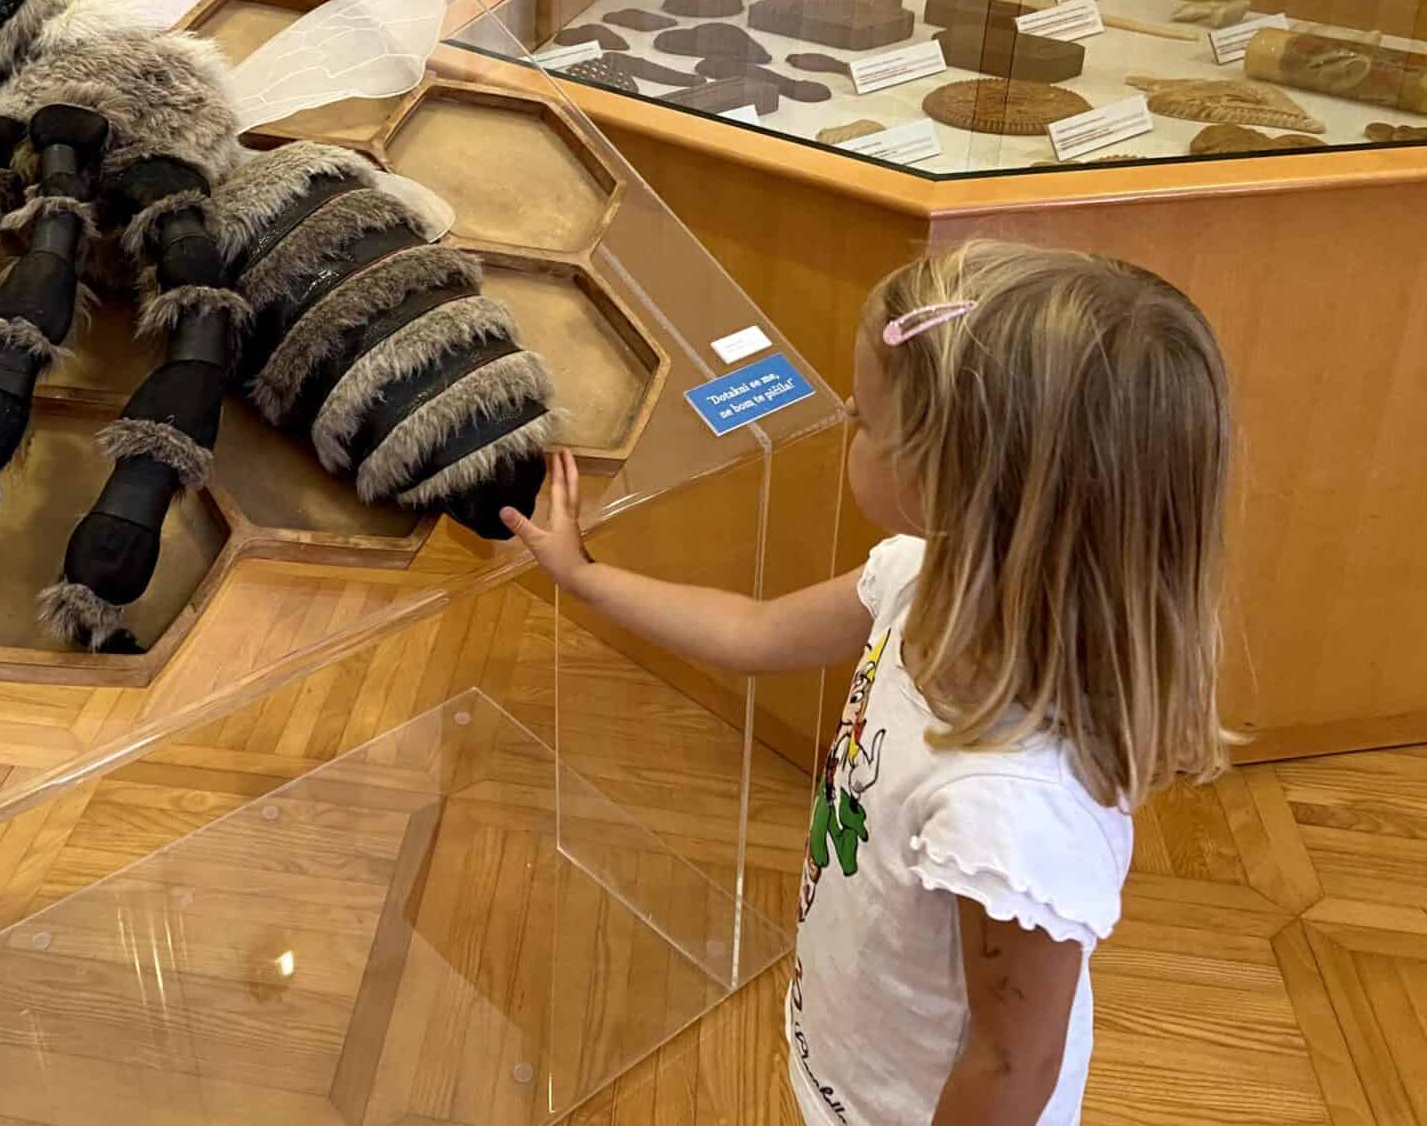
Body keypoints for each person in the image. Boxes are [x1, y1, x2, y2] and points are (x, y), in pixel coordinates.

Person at [502, 240, 1234, 1125]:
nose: (846, 417)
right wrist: (583, 576)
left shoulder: (1016, 805)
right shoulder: (916, 579)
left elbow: (1012, 1063)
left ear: (954, 477)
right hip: (854, 1056)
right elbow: (751, 631)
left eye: (865, 420)